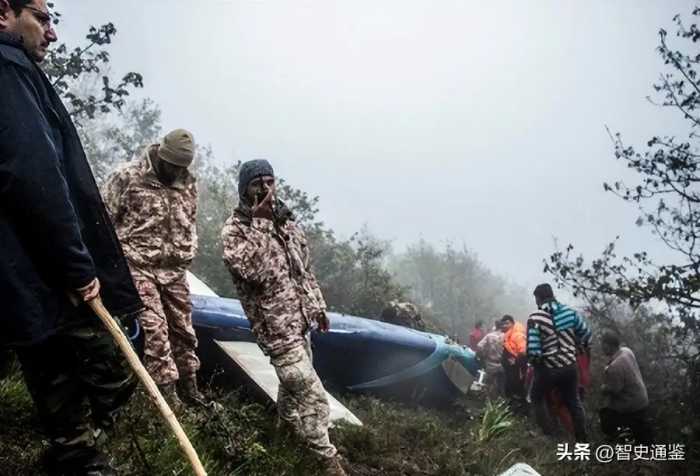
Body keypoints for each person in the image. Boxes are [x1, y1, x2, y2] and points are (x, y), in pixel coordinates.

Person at [0, 1, 143, 473]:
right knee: (90, 357)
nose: (52, 32)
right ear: (4, 12)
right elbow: (34, 174)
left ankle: (76, 448)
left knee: (46, 350)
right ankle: (79, 451)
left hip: (23, 260)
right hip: (37, 259)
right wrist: (78, 267)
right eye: (41, 17)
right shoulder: (8, 67)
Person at [221, 160, 346, 476]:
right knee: (315, 398)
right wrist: (261, 224)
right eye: (256, 183)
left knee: (292, 392)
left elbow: (304, 271)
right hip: (276, 330)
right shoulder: (236, 231)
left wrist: (317, 306)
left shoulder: (289, 224)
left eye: (270, 181)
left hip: (301, 323)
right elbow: (253, 271)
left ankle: (284, 441)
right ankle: (327, 461)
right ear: (244, 189)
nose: (265, 189)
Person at [103, 129, 205, 407]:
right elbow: (102, 220)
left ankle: (190, 389)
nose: (176, 172)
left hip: (174, 271)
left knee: (184, 332)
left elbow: (190, 221)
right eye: (172, 165)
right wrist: (107, 267)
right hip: (138, 265)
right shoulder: (127, 177)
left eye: (182, 167)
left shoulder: (188, 184)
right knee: (155, 330)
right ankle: (166, 400)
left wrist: (188, 250)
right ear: (161, 155)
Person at [527, 283, 590, 441]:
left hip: (549, 368)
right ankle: (582, 439)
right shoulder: (570, 313)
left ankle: (549, 434)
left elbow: (534, 350)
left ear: (539, 298)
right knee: (573, 401)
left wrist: (537, 365)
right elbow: (586, 334)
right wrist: (576, 347)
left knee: (536, 397)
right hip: (570, 366)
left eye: (536, 299)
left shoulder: (536, 318)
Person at [599, 330, 653, 444]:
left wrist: (603, 388)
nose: (602, 347)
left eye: (603, 344)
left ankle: (617, 442)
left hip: (631, 406)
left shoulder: (614, 367)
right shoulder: (626, 351)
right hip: (642, 399)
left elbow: (615, 390)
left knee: (606, 418)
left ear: (608, 346)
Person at [500, 314, 527, 411]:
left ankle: (521, 411)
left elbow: (523, 351)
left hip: (517, 369)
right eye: (503, 324)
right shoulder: (508, 336)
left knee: (518, 389)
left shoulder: (517, 335)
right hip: (510, 369)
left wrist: (516, 361)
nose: (504, 326)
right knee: (510, 388)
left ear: (512, 323)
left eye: (507, 323)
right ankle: (513, 408)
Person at [476, 320, 505, 398]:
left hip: (490, 363)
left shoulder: (489, 336)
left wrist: (482, 356)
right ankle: (501, 402)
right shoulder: (505, 336)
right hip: (502, 364)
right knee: (502, 385)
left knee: (489, 384)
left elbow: (479, 346)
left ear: (495, 326)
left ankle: (488, 401)